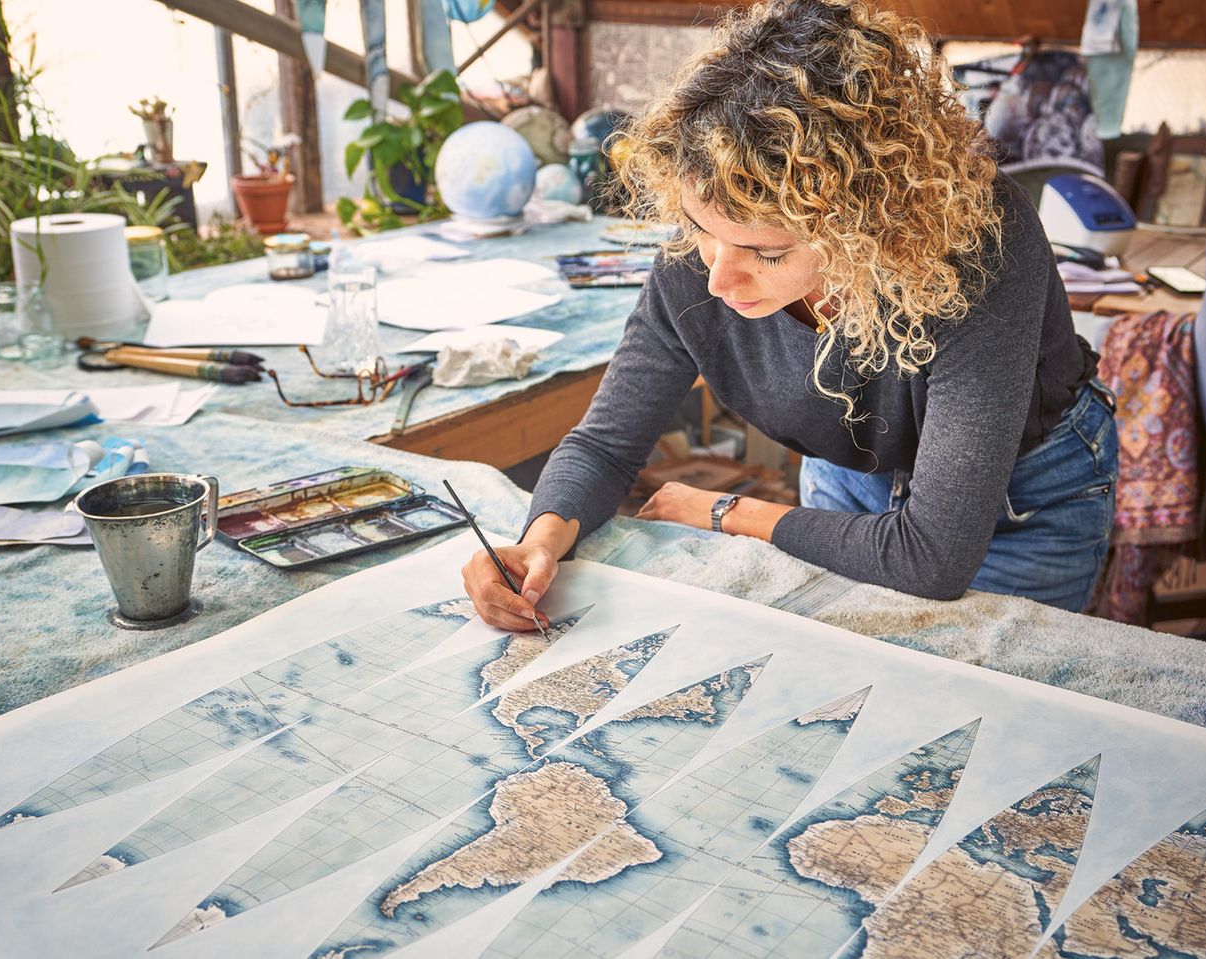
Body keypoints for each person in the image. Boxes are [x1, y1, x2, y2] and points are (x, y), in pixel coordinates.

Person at [462, 0, 1118, 628]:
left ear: (865, 224)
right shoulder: (709, 240)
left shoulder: (977, 239)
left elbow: (932, 559)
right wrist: (541, 540)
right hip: (852, 470)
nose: (717, 279)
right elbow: (607, 445)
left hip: (1019, 501)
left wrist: (728, 512)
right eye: (702, 229)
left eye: (767, 252)